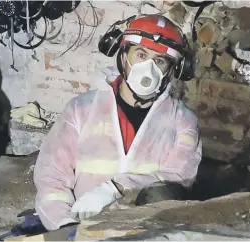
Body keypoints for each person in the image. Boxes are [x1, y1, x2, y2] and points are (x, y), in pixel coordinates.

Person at [34, 14, 202, 231]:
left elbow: (180, 177)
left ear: (172, 69)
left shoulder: (182, 121)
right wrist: (65, 225)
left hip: (146, 231)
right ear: (123, 56)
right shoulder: (81, 109)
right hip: (82, 227)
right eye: (141, 54)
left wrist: (117, 188)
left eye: (159, 60)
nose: (148, 68)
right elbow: (52, 176)